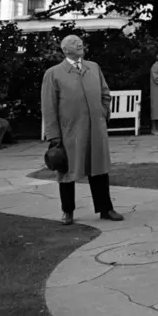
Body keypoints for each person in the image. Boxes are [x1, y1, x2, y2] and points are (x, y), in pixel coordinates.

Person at [41, 34, 123, 226]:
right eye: (73, 43)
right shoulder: (53, 73)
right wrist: (54, 137)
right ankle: (67, 211)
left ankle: (106, 208)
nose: (79, 44)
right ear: (65, 50)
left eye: (80, 42)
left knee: (99, 169)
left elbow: (105, 93)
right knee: (67, 171)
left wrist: (103, 114)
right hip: (70, 132)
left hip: (96, 129)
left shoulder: (93, 67)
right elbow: (49, 107)